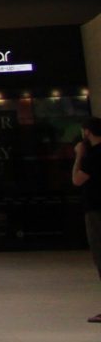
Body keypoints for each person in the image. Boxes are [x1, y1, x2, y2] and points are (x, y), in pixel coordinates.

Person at [75, 119, 101, 323]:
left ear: (88, 132)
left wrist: (78, 156)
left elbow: (77, 179)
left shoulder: (92, 156)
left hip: (96, 210)